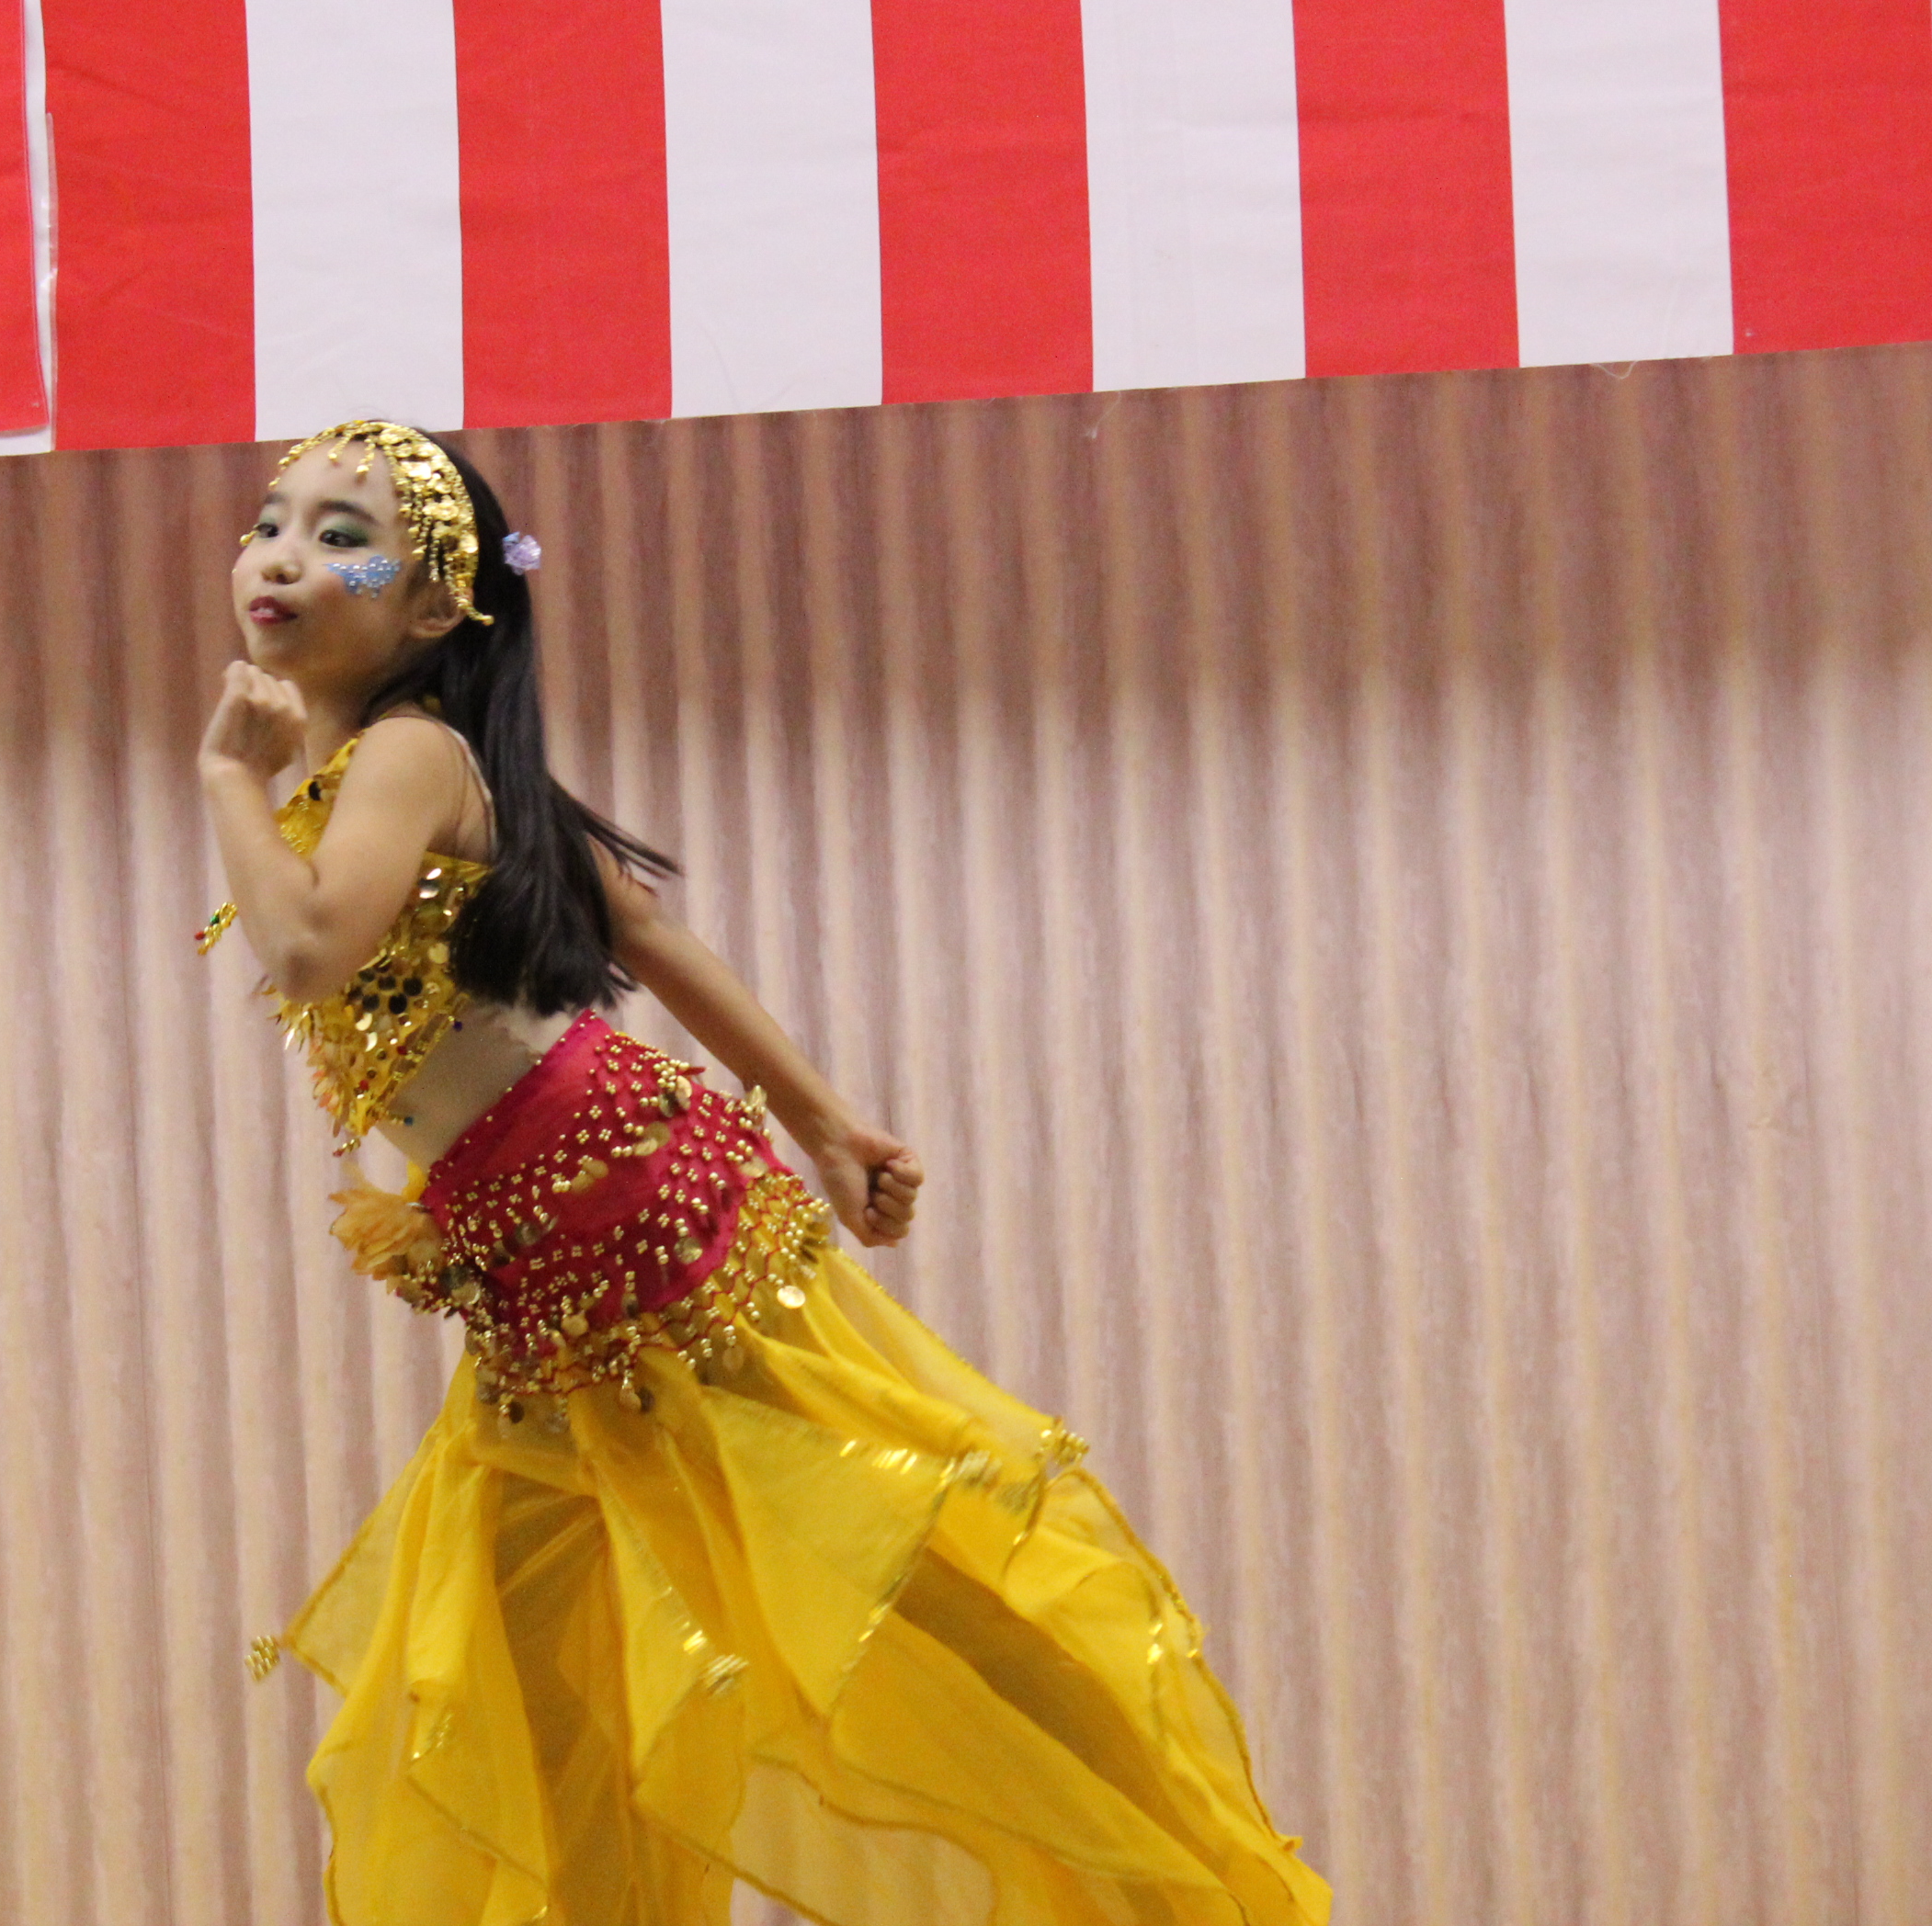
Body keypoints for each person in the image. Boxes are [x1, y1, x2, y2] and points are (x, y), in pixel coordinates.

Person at [199, 421, 1329, 1926]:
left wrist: (227, 775)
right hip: (541, 1263)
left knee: (872, 1571)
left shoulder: (403, 755)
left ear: (433, 608)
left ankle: (1182, 1888)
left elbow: (308, 946)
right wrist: (827, 1122)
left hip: (631, 1219)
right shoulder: (399, 768)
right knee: (551, 1666)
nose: (283, 556)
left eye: (343, 535)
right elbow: (642, 927)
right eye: (272, 521)